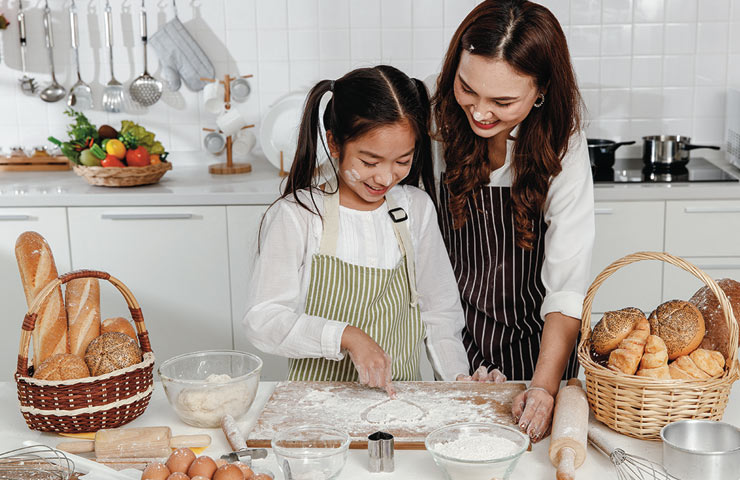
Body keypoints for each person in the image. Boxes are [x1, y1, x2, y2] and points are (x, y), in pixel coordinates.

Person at [243, 65, 471, 396]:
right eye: (369, 161)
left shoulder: (414, 210)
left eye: (402, 162)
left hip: (399, 403)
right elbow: (262, 321)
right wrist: (346, 336)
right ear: (334, 143)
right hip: (316, 408)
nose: (384, 177)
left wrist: (457, 380)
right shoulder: (300, 215)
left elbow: (440, 315)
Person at [429, 0, 595, 442]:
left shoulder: (563, 140)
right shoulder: (431, 112)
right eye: (467, 89)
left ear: (540, 91)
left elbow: (567, 284)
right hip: (448, 336)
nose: (481, 112)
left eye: (503, 101)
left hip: (538, 344)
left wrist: (542, 389)